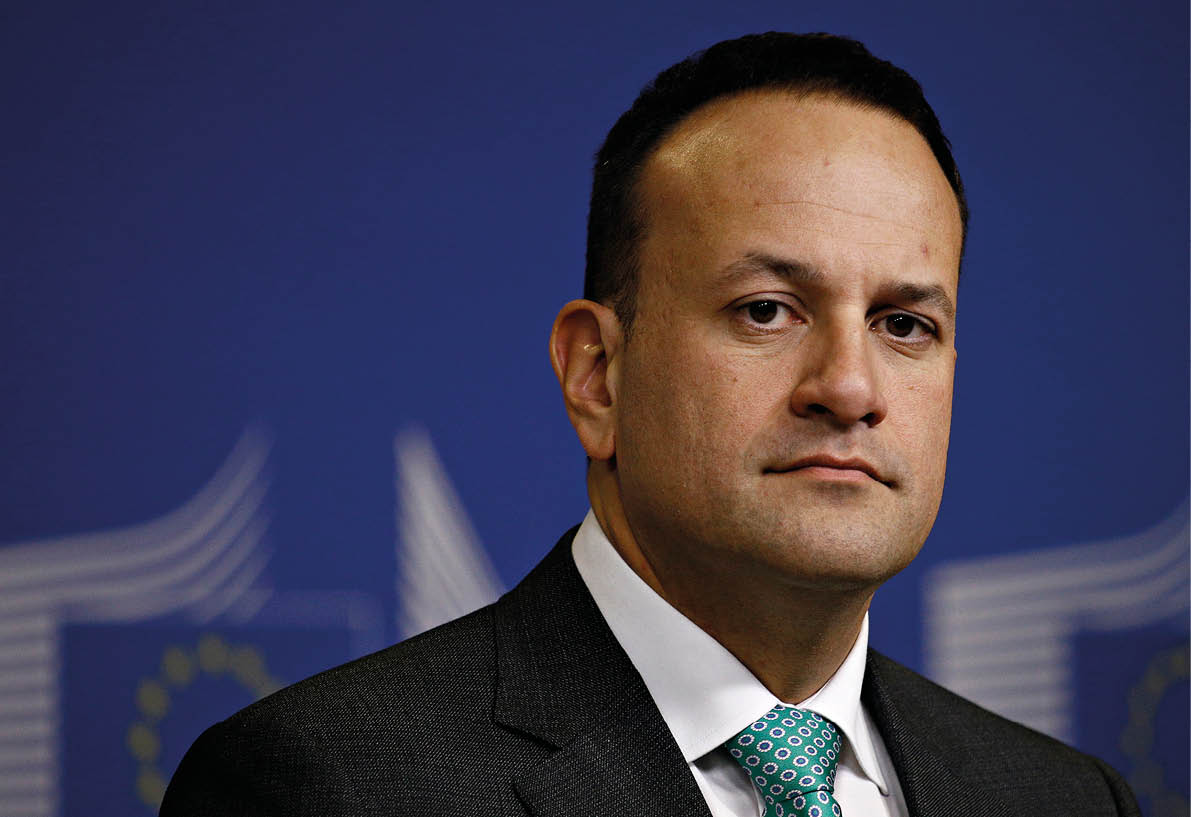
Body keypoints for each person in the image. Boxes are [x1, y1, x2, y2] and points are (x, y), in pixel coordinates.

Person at [161, 32, 1140, 817]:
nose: (849, 385)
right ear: (596, 373)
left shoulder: (1063, 797)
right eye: (766, 309)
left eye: (905, 325)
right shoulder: (328, 788)